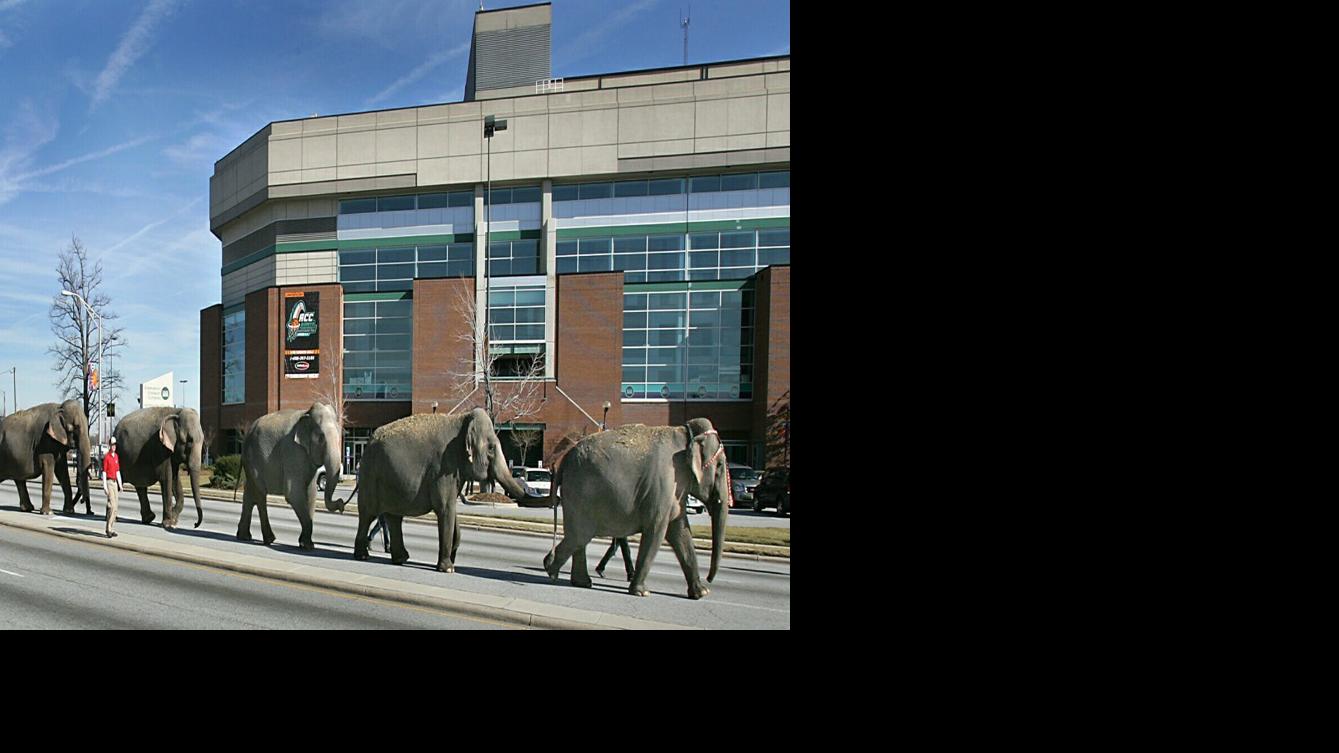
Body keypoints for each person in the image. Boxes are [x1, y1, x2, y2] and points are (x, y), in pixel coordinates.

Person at [102, 437, 123, 538]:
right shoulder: (107, 457)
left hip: (115, 483)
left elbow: (118, 471)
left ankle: (110, 527)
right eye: (112, 444)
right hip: (109, 482)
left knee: (116, 508)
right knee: (112, 505)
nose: (113, 446)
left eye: (115, 445)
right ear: (109, 445)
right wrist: (104, 486)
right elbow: (104, 472)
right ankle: (108, 529)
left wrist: (120, 484)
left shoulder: (116, 457)